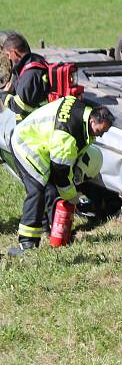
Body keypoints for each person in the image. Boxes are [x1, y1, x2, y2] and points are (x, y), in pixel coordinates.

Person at [9, 96, 114, 255]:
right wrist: (72, 196)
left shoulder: (84, 112)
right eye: (100, 131)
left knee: (51, 190)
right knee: (37, 190)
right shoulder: (69, 134)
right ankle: (27, 243)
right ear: (93, 121)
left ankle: (56, 233)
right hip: (26, 143)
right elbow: (61, 174)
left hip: (36, 138)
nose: (100, 136)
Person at [2, 33, 50, 123]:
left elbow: (20, 108)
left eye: (8, 55)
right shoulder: (35, 60)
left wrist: (5, 95)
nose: (8, 58)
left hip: (34, 125)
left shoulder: (30, 75)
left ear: (14, 52)